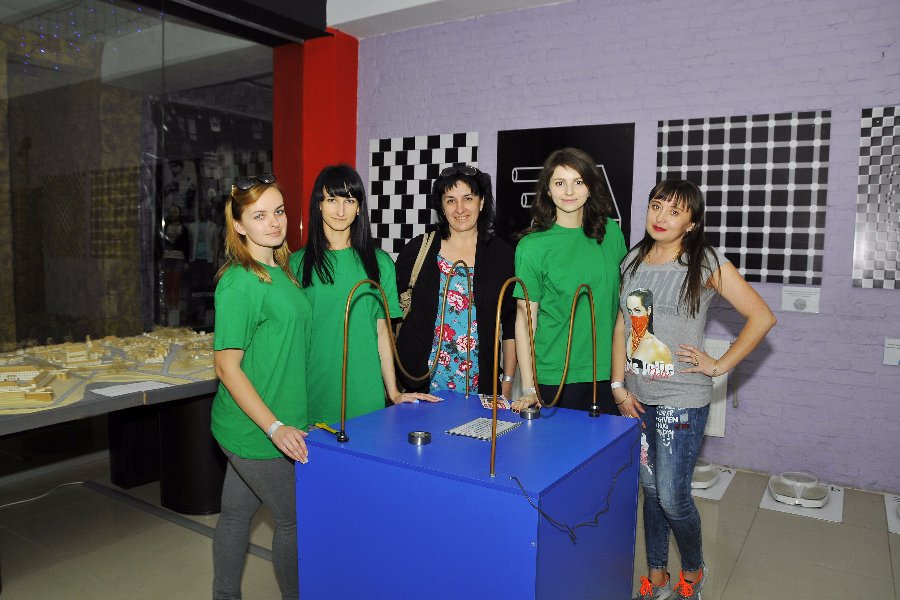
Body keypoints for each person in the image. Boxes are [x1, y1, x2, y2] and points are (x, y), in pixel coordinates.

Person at [613, 179, 776, 600]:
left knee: (672, 496)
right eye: (656, 206)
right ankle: (657, 577)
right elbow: (623, 325)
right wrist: (618, 386)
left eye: (675, 211)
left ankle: (693, 570)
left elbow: (761, 316)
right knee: (650, 492)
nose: (661, 217)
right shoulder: (632, 260)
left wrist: (718, 365)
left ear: (691, 222)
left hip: (682, 400)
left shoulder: (705, 262)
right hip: (637, 399)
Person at [211, 173, 310, 600]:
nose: (273, 222)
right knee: (294, 520)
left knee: (236, 515)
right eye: (259, 215)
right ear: (238, 225)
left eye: (279, 211)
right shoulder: (239, 282)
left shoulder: (280, 271)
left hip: (276, 418)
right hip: (255, 428)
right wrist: (274, 427)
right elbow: (226, 367)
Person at [291, 165, 439, 424]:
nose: (340, 210)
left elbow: (382, 332)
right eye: (332, 200)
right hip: (311, 389)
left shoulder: (380, 263)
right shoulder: (297, 265)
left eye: (349, 201)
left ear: (359, 207)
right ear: (318, 205)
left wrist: (393, 392)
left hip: (366, 392)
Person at [511, 148, 627, 414]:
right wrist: (528, 387)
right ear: (548, 190)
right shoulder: (532, 246)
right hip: (554, 375)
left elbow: (622, 305)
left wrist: (620, 375)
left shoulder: (611, 232)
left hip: (607, 373)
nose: (569, 191)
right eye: (560, 183)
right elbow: (525, 321)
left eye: (578, 181)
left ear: (590, 187)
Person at [395, 165, 517, 399]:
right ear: (442, 207)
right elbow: (392, 316)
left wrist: (508, 380)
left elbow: (511, 324)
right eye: (450, 200)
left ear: (482, 202)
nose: (460, 209)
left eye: (468, 198)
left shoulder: (502, 256)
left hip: (481, 388)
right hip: (419, 386)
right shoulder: (418, 250)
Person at [625, 288, 674, 379]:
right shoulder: (629, 334)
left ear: (648, 310)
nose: (633, 315)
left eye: (637, 310)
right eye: (629, 311)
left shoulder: (659, 348)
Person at [161, 204, 190, 326]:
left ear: (179, 214)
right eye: (172, 212)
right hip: (167, 258)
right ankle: (168, 313)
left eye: (176, 212)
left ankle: (175, 314)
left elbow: (187, 245)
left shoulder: (184, 229)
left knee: (176, 286)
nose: (174, 214)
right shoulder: (165, 227)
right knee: (168, 286)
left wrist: (187, 261)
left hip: (179, 258)